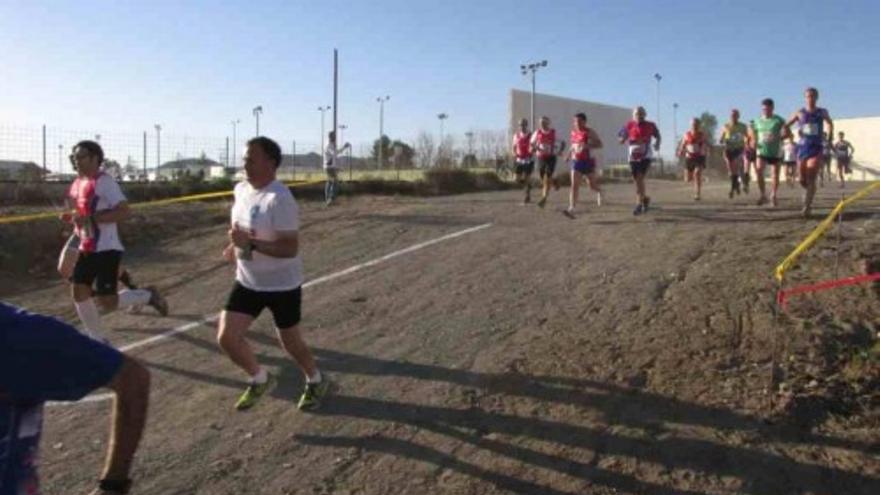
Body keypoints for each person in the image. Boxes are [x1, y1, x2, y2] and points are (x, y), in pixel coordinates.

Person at [218, 136, 330, 411]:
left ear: (270, 163)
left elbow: (289, 248)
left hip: (282, 285)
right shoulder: (241, 190)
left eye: (250, 159)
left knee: (290, 343)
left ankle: (315, 379)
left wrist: (251, 244)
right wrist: (234, 246)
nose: (245, 164)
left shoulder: (280, 199)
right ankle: (259, 378)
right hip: (247, 281)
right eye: (244, 159)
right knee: (227, 338)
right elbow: (244, 229)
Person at [0, 301, 150, 495]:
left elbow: (131, 378)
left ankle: (142, 296)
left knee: (100, 296)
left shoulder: (17, 335)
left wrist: (113, 485)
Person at [62, 141, 168, 341]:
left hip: (106, 248)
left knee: (107, 302)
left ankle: (147, 295)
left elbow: (124, 211)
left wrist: (93, 219)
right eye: (74, 157)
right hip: (87, 246)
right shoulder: (77, 183)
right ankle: (98, 339)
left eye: (81, 156)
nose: (76, 160)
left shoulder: (105, 182)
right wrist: (72, 218)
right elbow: (79, 211)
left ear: (95, 158)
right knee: (79, 292)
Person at [785, 87, 834, 218]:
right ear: (805, 98)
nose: (810, 98)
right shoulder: (800, 112)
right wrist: (788, 134)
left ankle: (807, 205)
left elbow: (830, 123)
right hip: (802, 148)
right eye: (808, 96)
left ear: (816, 97)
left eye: (812, 96)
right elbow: (786, 125)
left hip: (816, 147)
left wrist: (829, 136)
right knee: (802, 179)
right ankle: (808, 192)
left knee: (811, 173)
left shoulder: (822, 111)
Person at [618, 106, 661, 215]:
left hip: (646, 155)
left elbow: (658, 135)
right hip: (633, 155)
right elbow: (620, 136)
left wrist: (657, 143)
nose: (639, 116)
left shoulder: (651, 125)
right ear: (633, 115)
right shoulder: (629, 125)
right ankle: (645, 198)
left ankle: (638, 204)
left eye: (641, 113)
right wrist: (622, 139)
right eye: (637, 114)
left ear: (645, 115)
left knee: (640, 178)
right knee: (637, 180)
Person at [747, 98, 788, 207]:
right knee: (759, 170)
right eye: (764, 109)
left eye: (768, 109)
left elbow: (787, 133)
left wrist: (779, 137)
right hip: (762, 150)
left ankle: (773, 195)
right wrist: (753, 140)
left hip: (775, 151)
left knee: (775, 174)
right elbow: (750, 130)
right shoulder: (757, 121)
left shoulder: (779, 120)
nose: (766, 111)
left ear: (772, 108)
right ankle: (762, 194)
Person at [563, 113, 602, 219]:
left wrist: (587, 145)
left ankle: (599, 191)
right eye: (575, 121)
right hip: (576, 162)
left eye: (579, 121)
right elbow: (573, 145)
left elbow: (600, 144)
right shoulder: (573, 132)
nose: (577, 123)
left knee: (591, 185)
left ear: (585, 121)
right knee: (574, 185)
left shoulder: (589, 132)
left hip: (588, 162)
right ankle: (572, 208)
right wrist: (568, 155)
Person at [532, 117, 565, 208]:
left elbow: (563, 142)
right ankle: (554, 181)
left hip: (551, 157)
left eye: (544, 122)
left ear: (548, 123)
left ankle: (544, 199)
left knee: (547, 178)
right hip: (541, 158)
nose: (542, 124)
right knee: (542, 177)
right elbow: (532, 143)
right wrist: (534, 148)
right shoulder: (537, 133)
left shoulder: (554, 132)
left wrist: (559, 151)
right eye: (541, 123)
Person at [719, 109, 748, 199]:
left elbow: (748, 136)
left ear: (738, 116)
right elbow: (721, 138)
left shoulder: (743, 126)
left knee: (736, 166)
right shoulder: (726, 126)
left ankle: (732, 189)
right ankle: (737, 185)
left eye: (735, 115)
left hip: (739, 149)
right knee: (731, 171)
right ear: (730, 116)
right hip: (729, 149)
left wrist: (747, 142)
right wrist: (722, 140)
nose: (733, 117)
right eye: (732, 115)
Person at [677, 118, 708, 200]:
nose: (695, 126)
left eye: (697, 124)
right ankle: (699, 178)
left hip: (699, 157)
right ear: (690, 125)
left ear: (699, 125)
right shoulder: (686, 135)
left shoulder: (702, 135)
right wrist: (680, 151)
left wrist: (705, 151)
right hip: (689, 158)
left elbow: (706, 144)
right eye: (693, 124)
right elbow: (683, 144)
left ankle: (697, 194)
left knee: (697, 173)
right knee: (687, 179)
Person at [323, 131, 350, 206]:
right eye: (334, 136)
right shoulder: (329, 145)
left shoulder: (329, 144)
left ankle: (328, 199)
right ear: (331, 137)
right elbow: (334, 154)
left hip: (329, 166)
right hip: (329, 167)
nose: (335, 138)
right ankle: (330, 199)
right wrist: (344, 147)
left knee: (330, 182)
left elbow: (334, 154)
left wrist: (337, 167)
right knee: (335, 182)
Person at [511, 118, 535, 204]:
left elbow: (535, 146)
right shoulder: (516, 135)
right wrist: (514, 153)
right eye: (520, 125)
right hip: (519, 159)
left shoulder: (531, 135)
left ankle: (527, 195)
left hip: (528, 159)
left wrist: (532, 150)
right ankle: (528, 186)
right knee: (515, 179)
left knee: (526, 178)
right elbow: (513, 147)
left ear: (526, 125)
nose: (522, 126)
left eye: (524, 124)